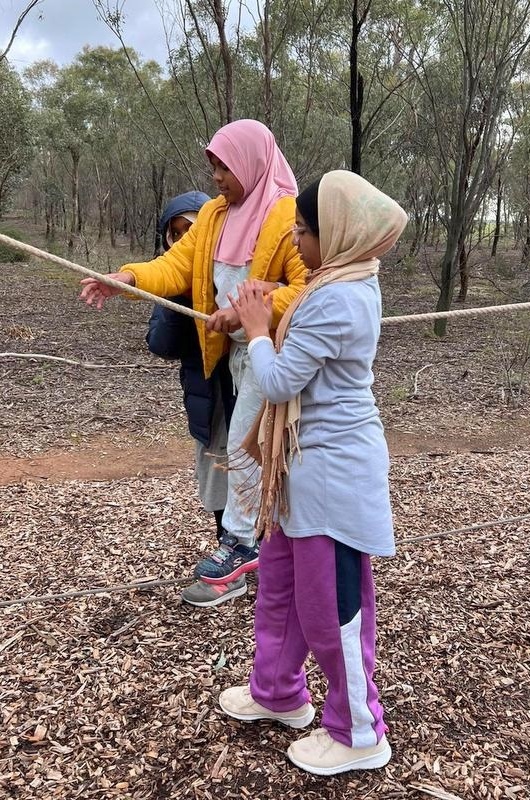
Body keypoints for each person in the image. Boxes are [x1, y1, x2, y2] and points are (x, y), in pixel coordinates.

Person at [219, 170, 408, 775]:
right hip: (298, 469)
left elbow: (276, 379)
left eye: (303, 231)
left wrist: (253, 330)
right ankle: (277, 692)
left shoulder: (339, 297)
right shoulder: (339, 280)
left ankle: (358, 730)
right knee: (279, 588)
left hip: (331, 474)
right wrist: (251, 309)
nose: (296, 241)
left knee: (332, 607)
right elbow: (293, 305)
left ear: (341, 235)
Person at [79, 119, 307, 607]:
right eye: (214, 167)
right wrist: (129, 278)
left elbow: (307, 289)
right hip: (229, 355)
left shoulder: (288, 217)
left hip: (274, 353)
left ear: (251, 161)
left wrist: (247, 314)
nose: (218, 177)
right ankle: (268, 555)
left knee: (252, 445)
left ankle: (243, 546)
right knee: (238, 446)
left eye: (225, 166)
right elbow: (178, 264)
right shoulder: (215, 216)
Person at [146, 191, 235, 544]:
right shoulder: (169, 281)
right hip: (207, 398)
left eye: (193, 230)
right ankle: (227, 547)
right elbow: (162, 343)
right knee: (216, 474)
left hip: (248, 392)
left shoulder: (234, 270)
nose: (186, 240)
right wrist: (178, 293)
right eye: (177, 233)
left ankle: (263, 557)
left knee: (255, 475)